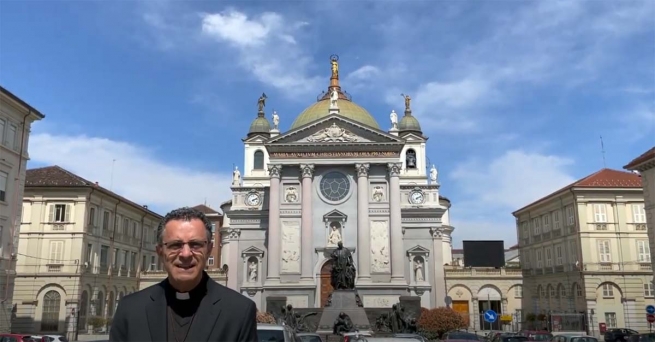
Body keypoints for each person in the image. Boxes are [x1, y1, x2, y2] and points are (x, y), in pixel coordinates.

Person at [109, 207, 258, 342]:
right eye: (175, 245)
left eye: (195, 244)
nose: (186, 254)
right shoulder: (131, 309)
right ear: (160, 252)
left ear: (208, 249)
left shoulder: (239, 312)